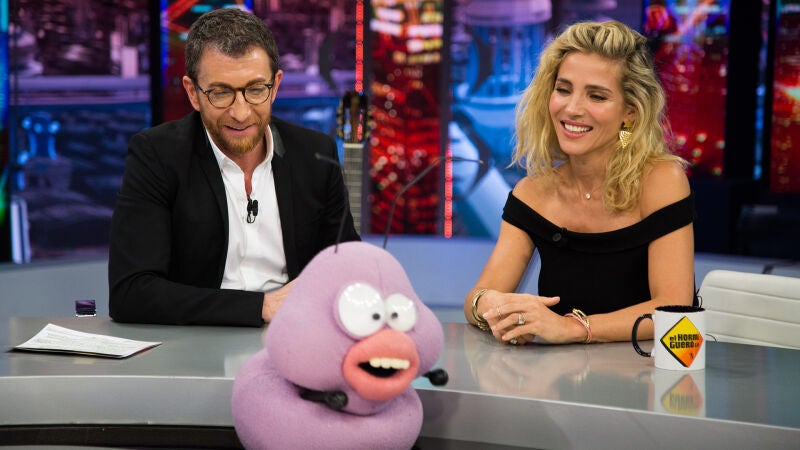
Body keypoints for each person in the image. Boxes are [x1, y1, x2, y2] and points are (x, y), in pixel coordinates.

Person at [108, 8, 359, 327]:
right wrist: (260, 307)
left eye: (255, 90)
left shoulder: (315, 154)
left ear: (275, 85)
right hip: (197, 342)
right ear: (193, 93)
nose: (240, 113)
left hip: (295, 335)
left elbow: (348, 268)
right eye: (221, 93)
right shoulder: (158, 155)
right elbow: (131, 294)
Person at [464, 20, 695, 345]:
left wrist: (573, 328)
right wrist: (489, 304)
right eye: (563, 89)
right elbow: (476, 299)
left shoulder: (661, 182)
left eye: (597, 96)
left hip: (649, 371)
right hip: (558, 374)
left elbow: (674, 309)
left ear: (629, 113)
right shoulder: (533, 193)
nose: (572, 108)